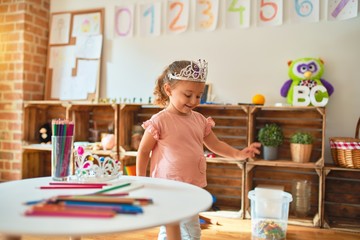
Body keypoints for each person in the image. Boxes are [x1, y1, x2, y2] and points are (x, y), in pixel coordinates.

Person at [136, 59, 261, 240]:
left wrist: (238, 153)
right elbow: (143, 151)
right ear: (169, 90)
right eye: (188, 95)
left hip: (192, 186)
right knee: (181, 231)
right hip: (168, 186)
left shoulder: (199, 120)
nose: (194, 101)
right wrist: (142, 181)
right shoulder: (159, 121)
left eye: (199, 95)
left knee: (186, 230)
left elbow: (215, 144)